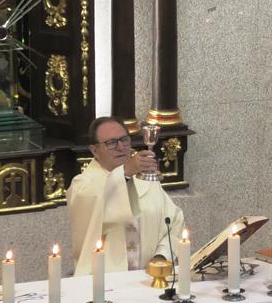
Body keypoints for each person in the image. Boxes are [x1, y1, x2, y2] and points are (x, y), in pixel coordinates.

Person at [67, 117, 184, 275]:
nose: (121, 147)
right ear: (95, 150)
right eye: (111, 143)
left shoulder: (147, 181)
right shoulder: (82, 186)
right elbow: (99, 213)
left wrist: (161, 256)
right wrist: (125, 172)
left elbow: (175, 221)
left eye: (124, 139)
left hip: (149, 278)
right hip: (104, 283)